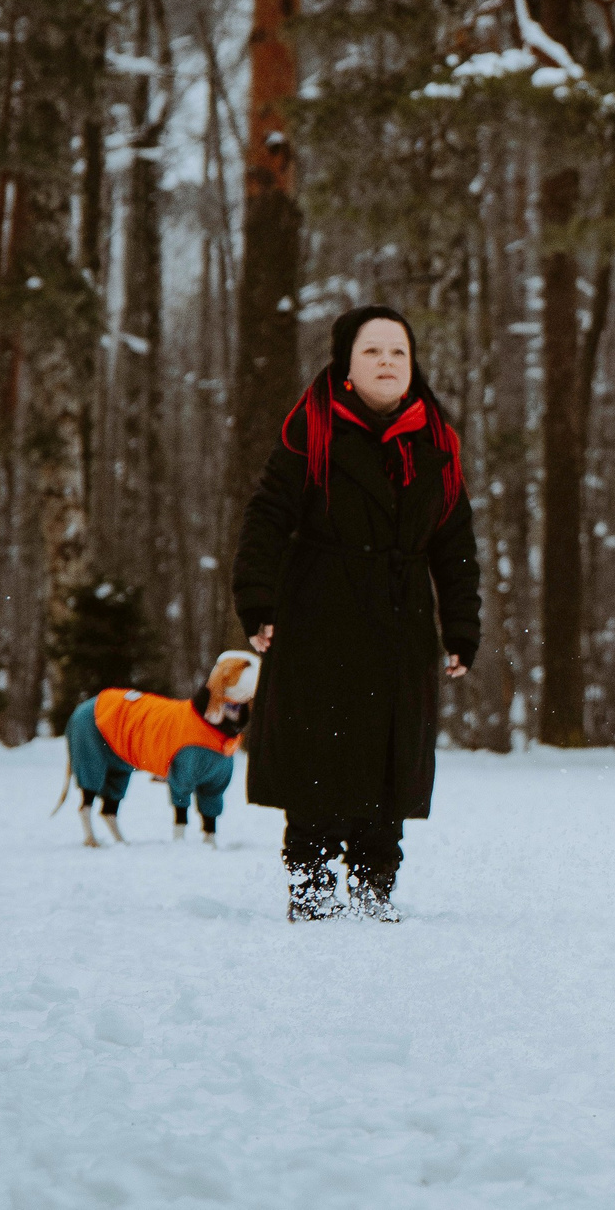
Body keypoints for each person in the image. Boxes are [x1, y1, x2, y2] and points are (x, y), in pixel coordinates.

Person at [232, 306, 481, 921]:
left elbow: (455, 544)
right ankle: (312, 889)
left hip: (400, 622)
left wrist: (462, 627)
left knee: (388, 761)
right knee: (318, 758)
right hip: (319, 613)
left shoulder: (437, 441)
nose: (387, 363)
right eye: (372, 352)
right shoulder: (309, 430)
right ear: (346, 365)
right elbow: (267, 517)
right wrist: (258, 601)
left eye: (398, 351)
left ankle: (375, 887)